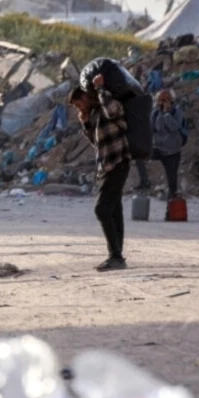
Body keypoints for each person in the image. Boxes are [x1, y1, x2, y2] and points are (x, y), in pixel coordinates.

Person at [70, 74, 131, 272]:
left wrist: (101, 89)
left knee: (102, 209)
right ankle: (117, 254)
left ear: (86, 97)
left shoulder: (108, 104)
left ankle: (116, 256)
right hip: (107, 166)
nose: (79, 109)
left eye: (79, 104)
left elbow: (113, 110)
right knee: (114, 210)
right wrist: (86, 122)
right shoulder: (95, 114)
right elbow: (96, 143)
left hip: (118, 162)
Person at [151, 89, 187, 203]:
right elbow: (153, 129)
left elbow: (174, 127)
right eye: (160, 100)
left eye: (166, 100)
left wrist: (167, 114)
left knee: (172, 179)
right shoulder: (155, 113)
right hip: (158, 148)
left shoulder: (177, 113)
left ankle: (172, 204)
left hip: (172, 151)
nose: (162, 103)